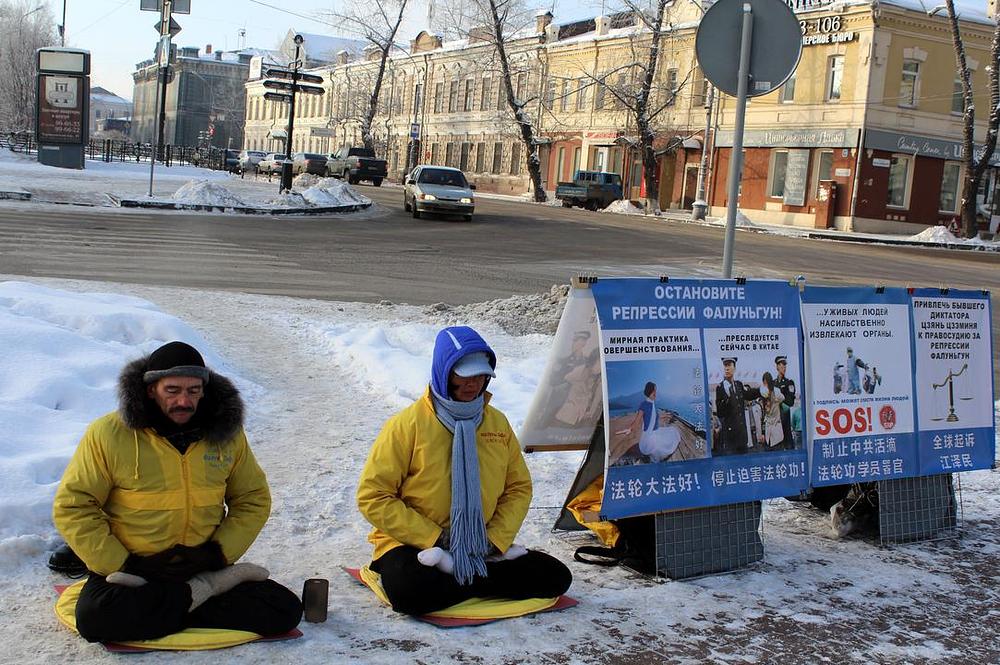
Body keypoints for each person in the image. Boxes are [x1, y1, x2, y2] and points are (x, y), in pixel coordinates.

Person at [52, 341, 302, 643]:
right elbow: (74, 506)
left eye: (193, 391)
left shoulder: (226, 436)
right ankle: (202, 594)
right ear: (150, 390)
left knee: (284, 609)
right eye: (173, 390)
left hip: (202, 565)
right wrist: (122, 563)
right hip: (133, 572)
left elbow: (252, 499)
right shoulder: (108, 434)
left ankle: (173, 603)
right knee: (95, 619)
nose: (184, 401)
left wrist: (216, 554)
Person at [357, 326, 572, 616]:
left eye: (481, 375)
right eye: (464, 375)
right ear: (444, 373)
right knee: (410, 591)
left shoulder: (497, 424)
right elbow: (373, 496)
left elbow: (518, 488)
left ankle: (462, 577)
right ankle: (479, 578)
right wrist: (435, 538)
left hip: (478, 543)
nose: (473, 383)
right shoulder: (407, 426)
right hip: (412, 543)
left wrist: (493, 540)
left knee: (556, 576)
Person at [620, 382, 681, 462]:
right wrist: (630, 429)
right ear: (651, 391)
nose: (656, 393)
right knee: (661, 447)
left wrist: (666, 416)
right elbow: (637, 420)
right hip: (648, 437)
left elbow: (655, 418)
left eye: (656, 391)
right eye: (654, 390)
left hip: (656, 432)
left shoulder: (654, 405)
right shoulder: (644, 405)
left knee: (673, 430)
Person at [713, 357, 761, 456]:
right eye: (725, 365)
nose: (727, 368)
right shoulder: (720, 388)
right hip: (730, 438)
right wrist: (728, 397)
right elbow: (720, 413)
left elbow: (749, 394)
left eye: (729, 365)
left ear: (734, 368)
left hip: (742, 437)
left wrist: (761, 391)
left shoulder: (739, 385)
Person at [772, 355, 796, 449]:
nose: (784, 367)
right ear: (777, 367)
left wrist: (779, 401)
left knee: (788, 444)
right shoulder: (773, 383)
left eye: (785, 365)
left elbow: (790, 402)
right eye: (781, 365)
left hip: (784, 417)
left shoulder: (789, 383)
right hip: (774, 420)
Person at [758, 372, 785, 450]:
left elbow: (782, 398)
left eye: (767, 383)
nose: (765, 385)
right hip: (767, 431)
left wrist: (774, 397)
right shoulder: (762, 395)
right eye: (764, 383)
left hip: (777, 428)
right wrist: (762, 433)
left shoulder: (776, 391)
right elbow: (763, 416)